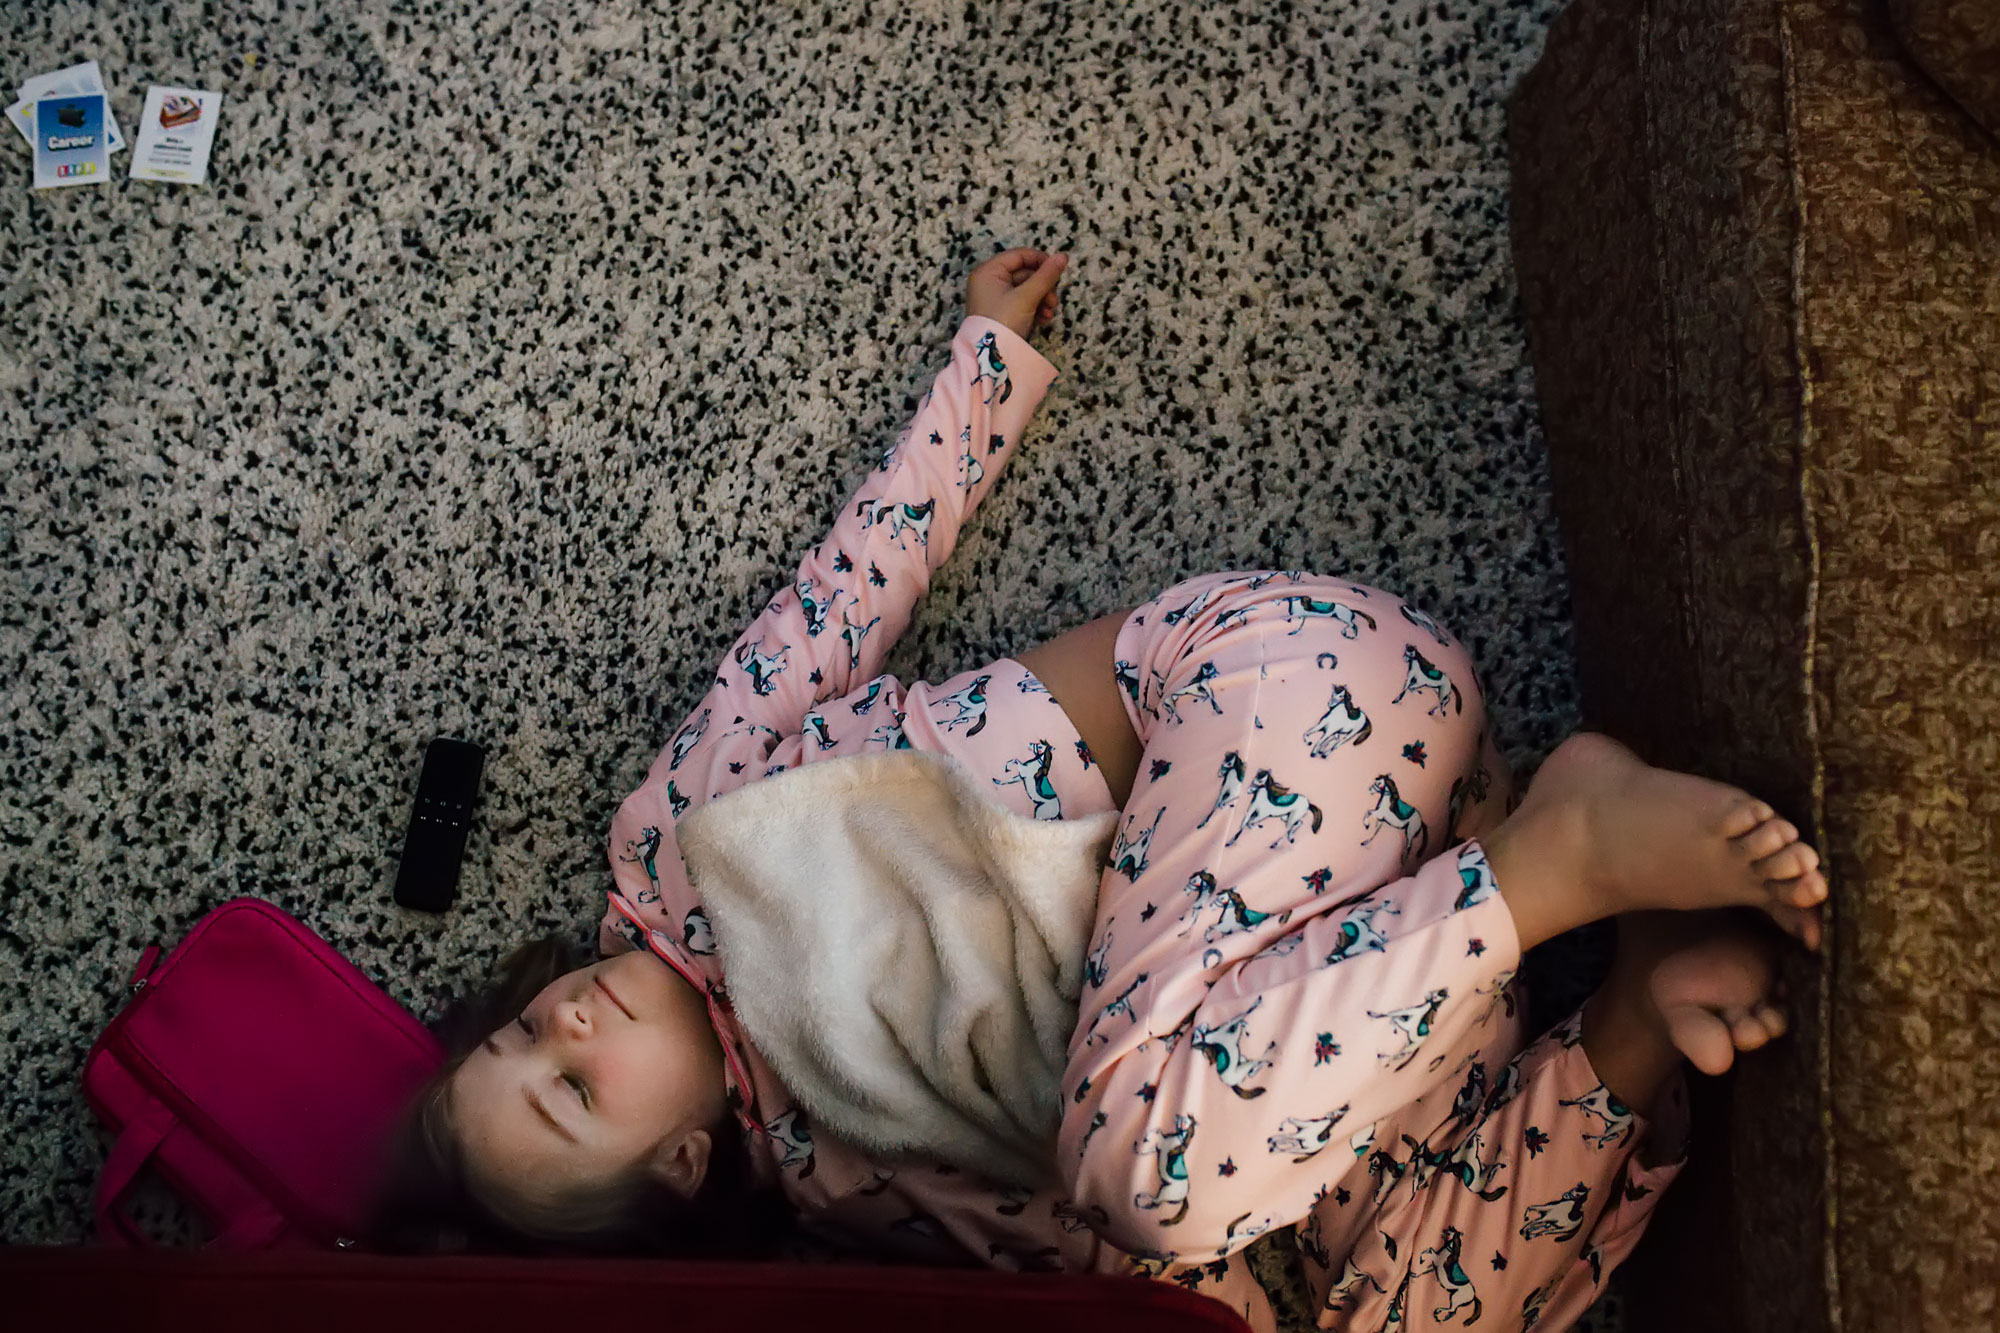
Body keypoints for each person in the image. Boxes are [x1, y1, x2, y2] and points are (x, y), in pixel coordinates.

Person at [366, 248, 1827, 1331]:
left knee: (1151, 1169)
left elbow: (831, 609)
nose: (558, 1019)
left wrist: (984, 374)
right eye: (569, 1090)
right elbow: (1124, 1267)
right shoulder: (850, 1186)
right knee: (1386, 1312)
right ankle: (1629, 1021)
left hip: (1290, 701)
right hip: (1362, 988)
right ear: (683, 1165)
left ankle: (1561, 863)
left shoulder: (674, 851)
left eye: (515, 1029)